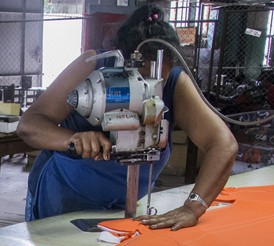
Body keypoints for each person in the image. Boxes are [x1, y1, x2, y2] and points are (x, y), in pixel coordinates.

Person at [17, 4, 237, 230]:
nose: (147, 92)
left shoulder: (174, 83)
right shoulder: (92, 65)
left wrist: (193, 208)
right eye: (140, 79)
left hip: (122, 206)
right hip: (59, 198)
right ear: (121, 60)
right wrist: (72, 139)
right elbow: (29, 125)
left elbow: (224, 144)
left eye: (156, 82)